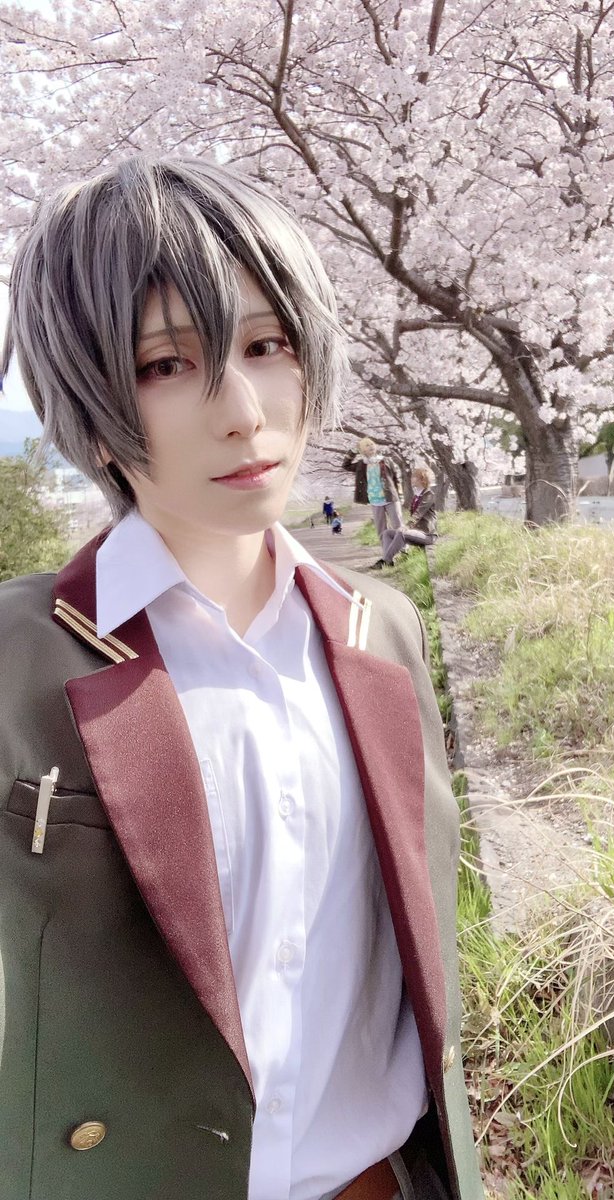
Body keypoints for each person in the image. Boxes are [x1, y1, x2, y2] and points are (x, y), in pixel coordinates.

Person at [0, 157, 483, 1200]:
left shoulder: (380, 630)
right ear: (89, 400)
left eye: (267, 346)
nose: (242, 410)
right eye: (166, 364)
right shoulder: (17, 657)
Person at [342, 438, 403, 553]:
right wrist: (353, 451)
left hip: (391, 498)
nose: (371, 446)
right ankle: (387, 553)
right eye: (367, 445)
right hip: (375, 500)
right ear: (362, 450)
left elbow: (396, 478)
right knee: (381, 528)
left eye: (372, 444)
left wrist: (400, 495)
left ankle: (404, 550)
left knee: (398, 525)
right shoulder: (361, 464)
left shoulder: (386, 460)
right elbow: (345, 465)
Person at [373, 466, 438, 569]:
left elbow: (418, 513)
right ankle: (388, 560)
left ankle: (385, 561)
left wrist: (407, 526)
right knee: (387, 533)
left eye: (414, 477)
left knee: (401, 532)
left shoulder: (429, 495)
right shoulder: (417, 495)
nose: (412, 479)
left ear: (422, 479)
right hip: (416, 533)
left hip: (427, 535)